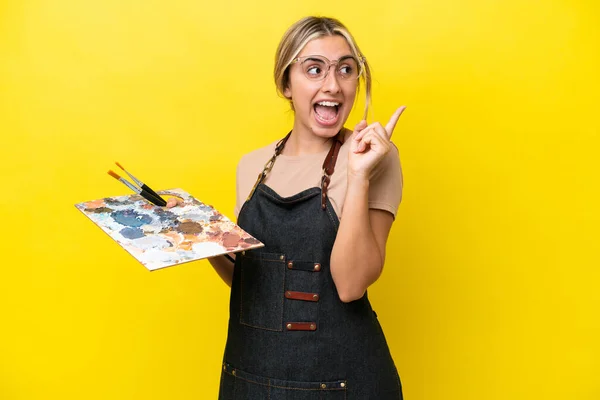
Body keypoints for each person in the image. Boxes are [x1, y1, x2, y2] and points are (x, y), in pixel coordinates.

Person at [169, 15, 405, 399]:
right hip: (250, 379)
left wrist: (358, 175)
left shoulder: (373, 158)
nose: (333, 85)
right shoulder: (251, 165)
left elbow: (350, 285)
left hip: (342, 383)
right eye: (315, 69)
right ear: (286, 83)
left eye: (346, 69)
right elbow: (255, 284)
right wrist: (205, 238)